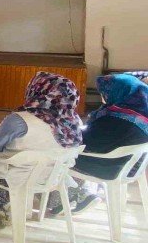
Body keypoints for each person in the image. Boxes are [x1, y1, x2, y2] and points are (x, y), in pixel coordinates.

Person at [0, 72, 82, 225]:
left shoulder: (18, 120)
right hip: (52, 176)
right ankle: (58, 199)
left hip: (12, 175)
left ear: (37, 90)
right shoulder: (75, 122)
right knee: (40, 164)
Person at [55, 74, 148, 215]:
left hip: (112, 168)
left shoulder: (115, 119)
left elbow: (86, 142)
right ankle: (78, 194)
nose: (103, 97)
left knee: (57, 156)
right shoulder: (140, 115)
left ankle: (71, 196)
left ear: (118, 93)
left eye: (105, 93)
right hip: (133, 166)